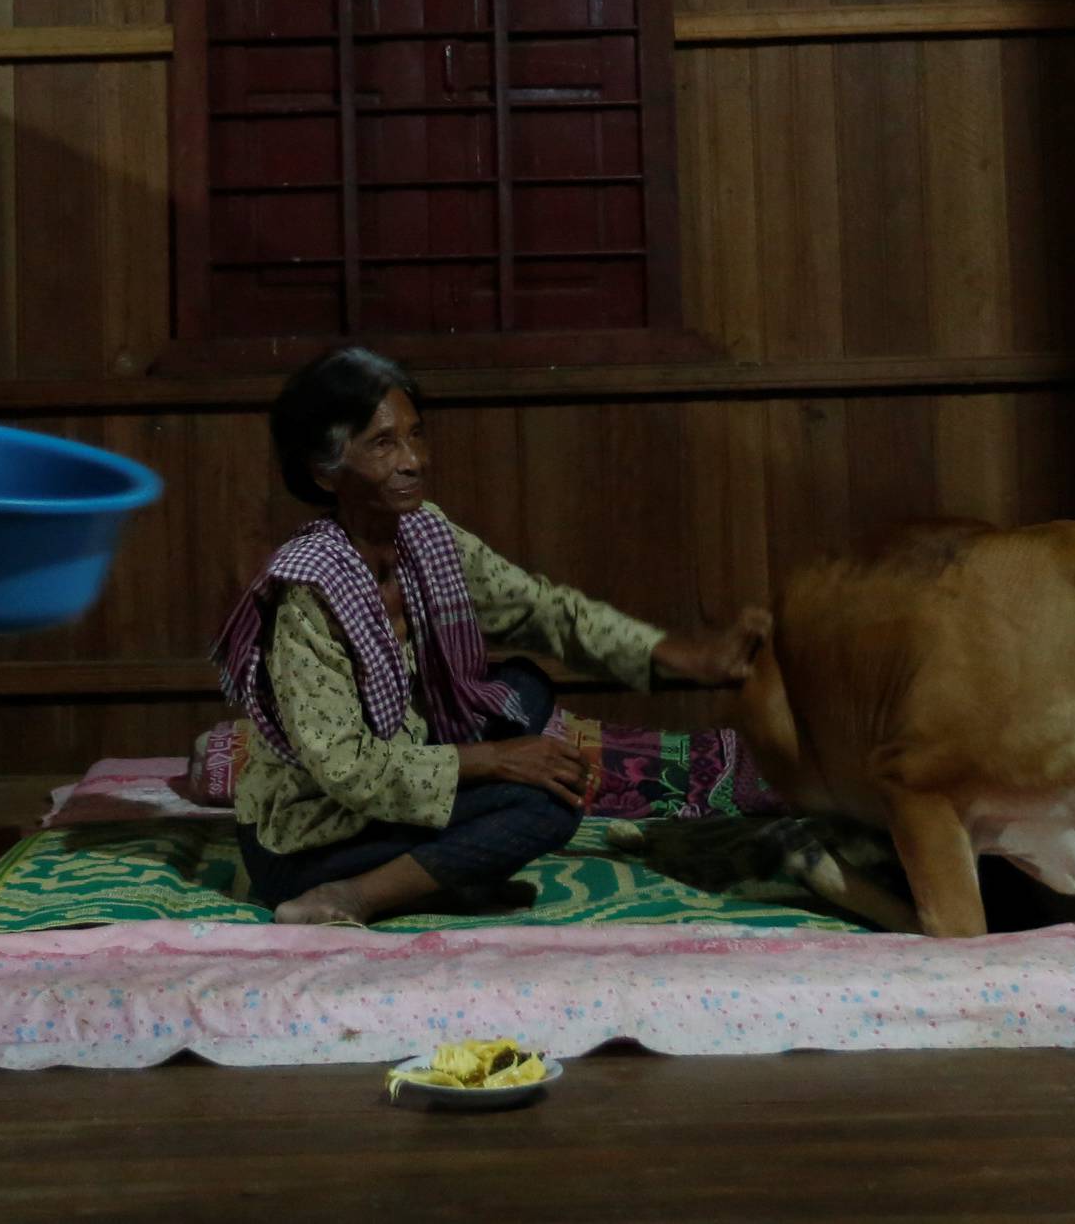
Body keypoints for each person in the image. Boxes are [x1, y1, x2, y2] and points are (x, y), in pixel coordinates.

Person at [213, 345, 768, 926]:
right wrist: (497, 760)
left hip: (397, 781)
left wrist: (678, 656)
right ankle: (350, 896)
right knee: (547, 805)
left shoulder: (424, 534)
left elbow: (541, 611)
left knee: (521, 686)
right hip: (310, 837)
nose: (412, 461)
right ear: (325, 470)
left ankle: (429, 881)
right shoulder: (309, 589)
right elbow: (349, 770)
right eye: (383, 444)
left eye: (415, 435)